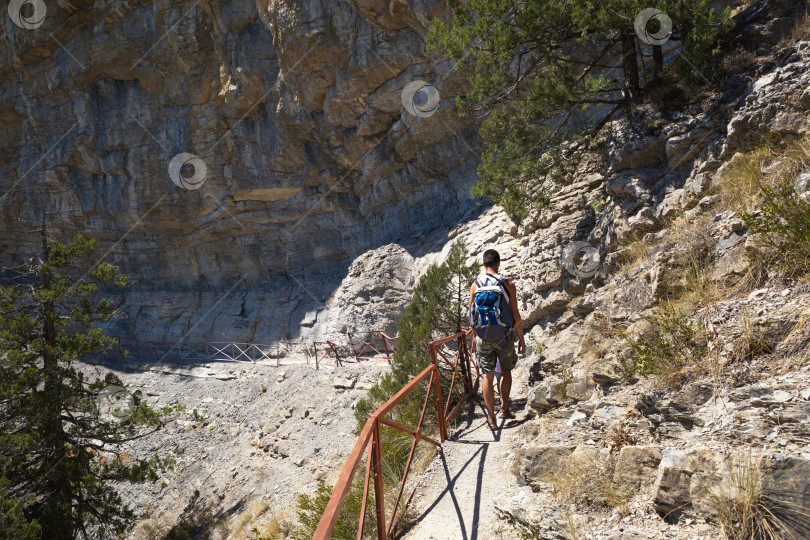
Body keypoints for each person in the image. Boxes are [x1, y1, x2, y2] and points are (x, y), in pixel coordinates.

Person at [468, 249, 526, 430]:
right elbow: (516, 315)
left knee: (487, 376)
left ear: (484, 265)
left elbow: (471, 316)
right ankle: (504, 408)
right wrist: (521, 339)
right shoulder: (508, 284)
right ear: (498, 263)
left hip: (483, 337)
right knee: (506, 371)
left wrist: (476, 336)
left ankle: (491, 420)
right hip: (505, 335)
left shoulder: (475, 285)